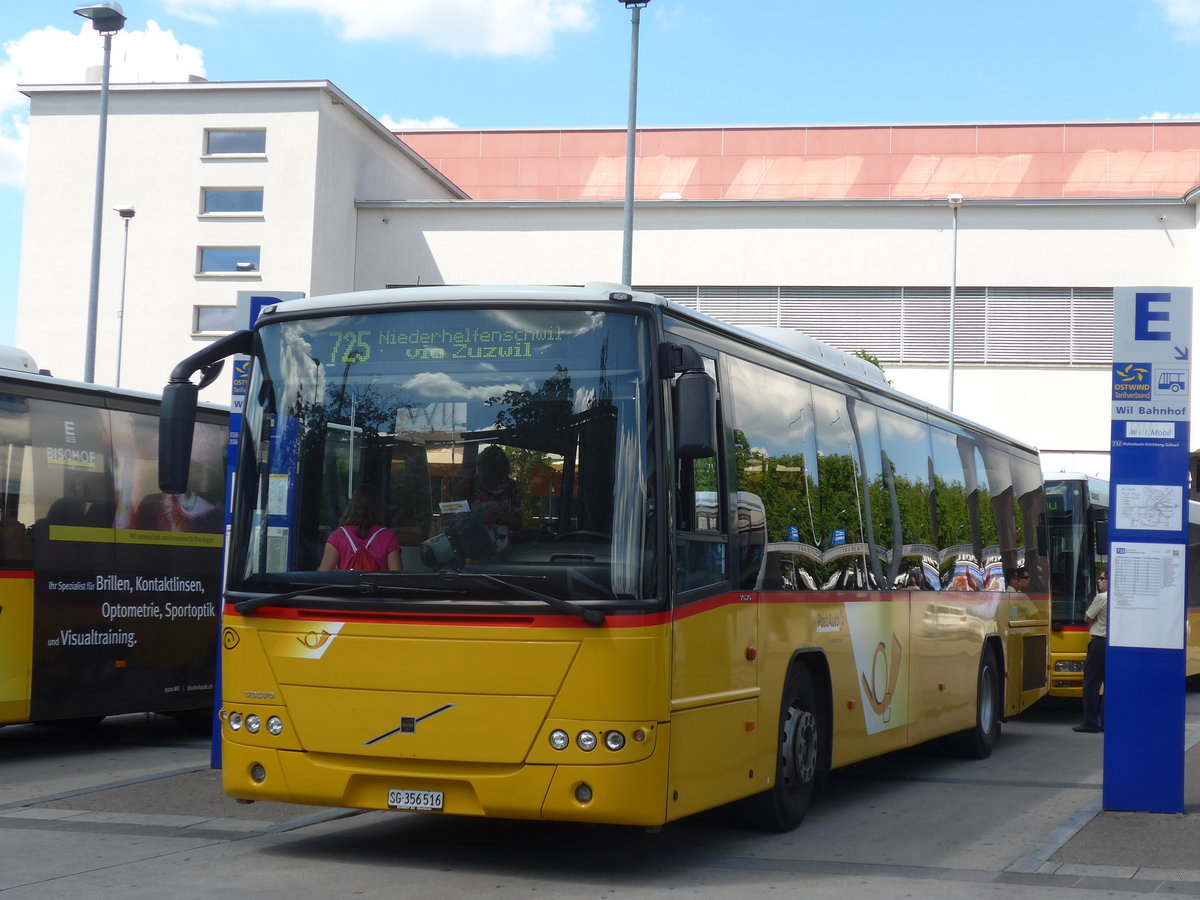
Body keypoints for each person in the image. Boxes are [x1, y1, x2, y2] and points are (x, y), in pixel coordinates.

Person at [319, 484, 401, 572]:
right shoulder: (388, 537)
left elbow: (323, 575)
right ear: (378, 508)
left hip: (347, 581)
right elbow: (396, 575)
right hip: (376, 581)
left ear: (351, 506)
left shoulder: (337, 536)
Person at [467, 445, 523, 551]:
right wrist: (480, 518)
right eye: (491, 474)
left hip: (505, 554)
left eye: (500, 474)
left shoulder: (511, 487)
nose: (496, 479)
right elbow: (453, 525)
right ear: (481, 469)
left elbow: (519, 523)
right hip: (472, 554)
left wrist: (507, 517)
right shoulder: (467, 487)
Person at [1074, 571, 1108, 733]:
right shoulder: (1119, 597)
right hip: (1113, 645)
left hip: (1099, 643)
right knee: (1109, 685)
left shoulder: (1102, 598)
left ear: (1109, 580)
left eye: (1101, 578)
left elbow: (1088, 618)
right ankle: (1106, 721)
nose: (1099, 581)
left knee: (1091, 684)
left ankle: (1090, 722)